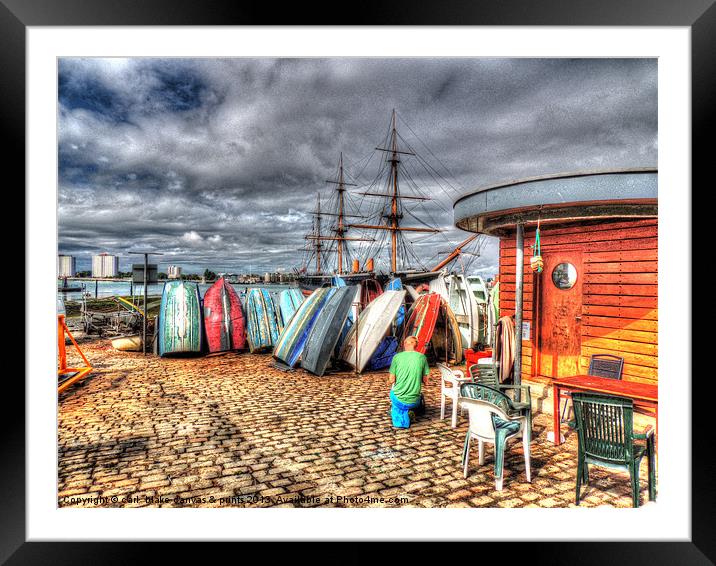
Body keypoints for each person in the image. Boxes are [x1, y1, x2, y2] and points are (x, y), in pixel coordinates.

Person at [387, 336, 429, 428]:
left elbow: (391, 380)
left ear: (405, 344)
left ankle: (404, 412)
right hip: (414, 401)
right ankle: (411, 410)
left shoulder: (396, 357)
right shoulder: (422, 357)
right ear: (416, 345)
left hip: (398, 399)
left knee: (393, 391)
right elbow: (426, 381)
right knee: (420, 395)